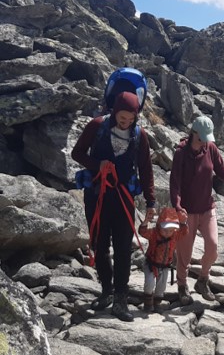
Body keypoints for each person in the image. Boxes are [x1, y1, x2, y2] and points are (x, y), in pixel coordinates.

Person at [71, 91, 156, 322]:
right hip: (97, 196)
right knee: (99, 245)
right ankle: (106, 291)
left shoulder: (140, 136)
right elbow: (76, 152)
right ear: (114, 110)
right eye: (122, 117)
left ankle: (120, 299)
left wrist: (151, 202)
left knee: (122, 249)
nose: (125, 122)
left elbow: (146, 169)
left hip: (123, 199)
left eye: (130, 119)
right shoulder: (97, 125)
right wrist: (98, 164)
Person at [170, 115, 224, 305]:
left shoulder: (210, 148)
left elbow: (222, 172)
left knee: (212, 248)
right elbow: (175, 184)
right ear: (193, 133)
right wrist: (178, 207)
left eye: (207, 137)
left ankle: (203, 281)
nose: (205, 140)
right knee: (184, 254)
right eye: (202, 136)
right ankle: (182, 285)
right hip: (187, 211)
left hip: (207, 207)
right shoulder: (181, 153)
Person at [139, 207, 188, 312]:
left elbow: (184, 232)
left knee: (161, 288)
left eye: (171, 230)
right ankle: (148, 304)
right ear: (158, 225)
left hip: (165, 266)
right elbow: (142, 232)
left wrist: (183, 222)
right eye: (165, 230)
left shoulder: (175, 235)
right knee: (149, 283)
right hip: (150, 265)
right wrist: (146, 221)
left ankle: (157, 304)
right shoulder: (153, 233)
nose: (167, 233)